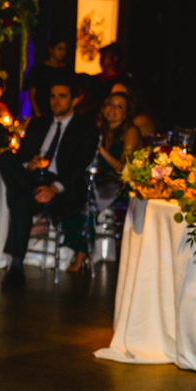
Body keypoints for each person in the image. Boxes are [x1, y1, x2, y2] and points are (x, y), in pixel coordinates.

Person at [0, 78, 99, 289]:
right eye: (52, 96)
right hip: (34, 180)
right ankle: (35, 192)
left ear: (74, 100)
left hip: (62, 187)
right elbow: (22, 156)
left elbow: (79, 167)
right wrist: (29, 164)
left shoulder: (85, 128)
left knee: (20, 203)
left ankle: (15, 267)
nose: (55, 101)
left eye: (62, 96)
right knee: (5, 158)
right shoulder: (38, 124)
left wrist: (54, 188)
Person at [58, 89, 143, 273]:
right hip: (97, 178)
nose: (113, 109)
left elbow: (123, 168)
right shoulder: (97, 127)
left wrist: (99, 149)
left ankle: (81, 255)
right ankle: (69, 237)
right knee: (73, 188)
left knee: (89, 195)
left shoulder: (130, 131)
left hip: (120, 182)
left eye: (119, 107)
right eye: (110, 104)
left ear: (126, 112)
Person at [24, 37, 73, 117]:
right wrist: (39, 116)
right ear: (51, 49)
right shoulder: (38, 69)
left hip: (61, 114)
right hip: (43, 113)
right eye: (60, 49)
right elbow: (32, 96)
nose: (63, 53)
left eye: (65, 49)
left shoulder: (66, 70)